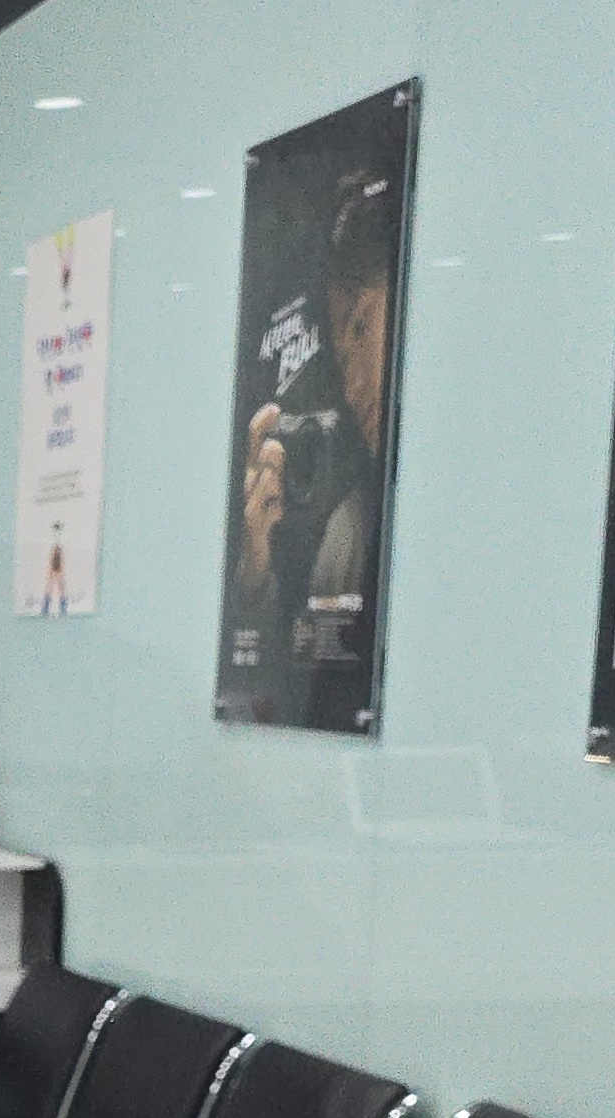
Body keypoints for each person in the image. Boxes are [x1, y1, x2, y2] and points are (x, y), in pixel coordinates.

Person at [229, 166, 398, 724]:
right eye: (341, 353)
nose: (353, 387)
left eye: (362, 330)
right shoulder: (348, 525)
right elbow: (283, 693)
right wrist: (255, 559)